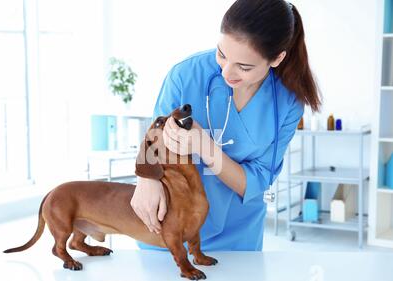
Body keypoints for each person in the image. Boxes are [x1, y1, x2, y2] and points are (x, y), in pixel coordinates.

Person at [131, 0, 321, 251]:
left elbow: (257, 182)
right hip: (168, 229)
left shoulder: (287, 102)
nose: (226, 73)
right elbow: (155, 137)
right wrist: (146, 179)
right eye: (221, 54)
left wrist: (205, 147)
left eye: (244, 66)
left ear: (276, 59)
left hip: (236, 236)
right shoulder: (186, 75)